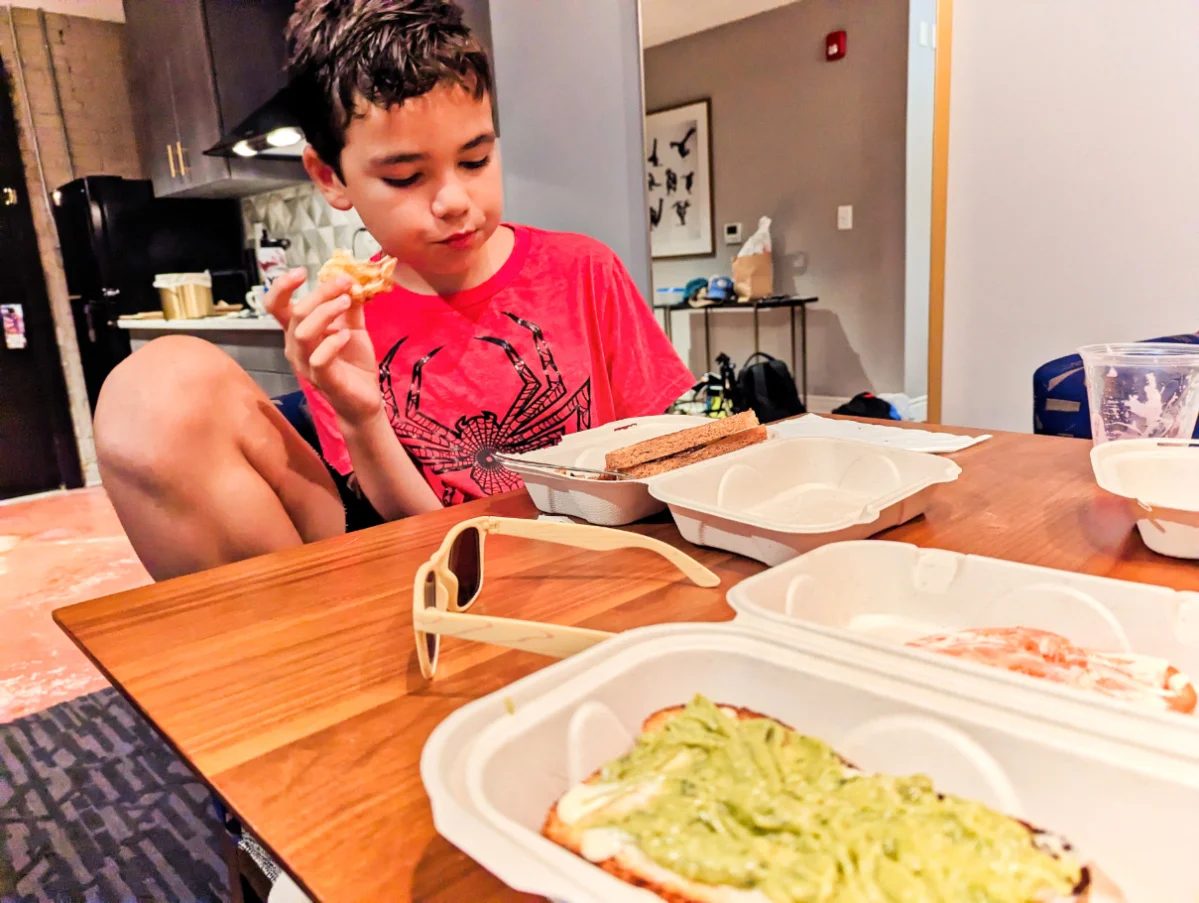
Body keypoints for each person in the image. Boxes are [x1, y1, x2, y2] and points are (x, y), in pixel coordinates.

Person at [93, 0, 693, 582]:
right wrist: (361, 416)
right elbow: (406, 528)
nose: (454, 200)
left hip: (600, 563)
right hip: (438, 566)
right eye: (406, 176)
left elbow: (661, 451)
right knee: (150, 385)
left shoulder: (585, 270)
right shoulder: (344, 322)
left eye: (477, 159)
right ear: (330, 177)